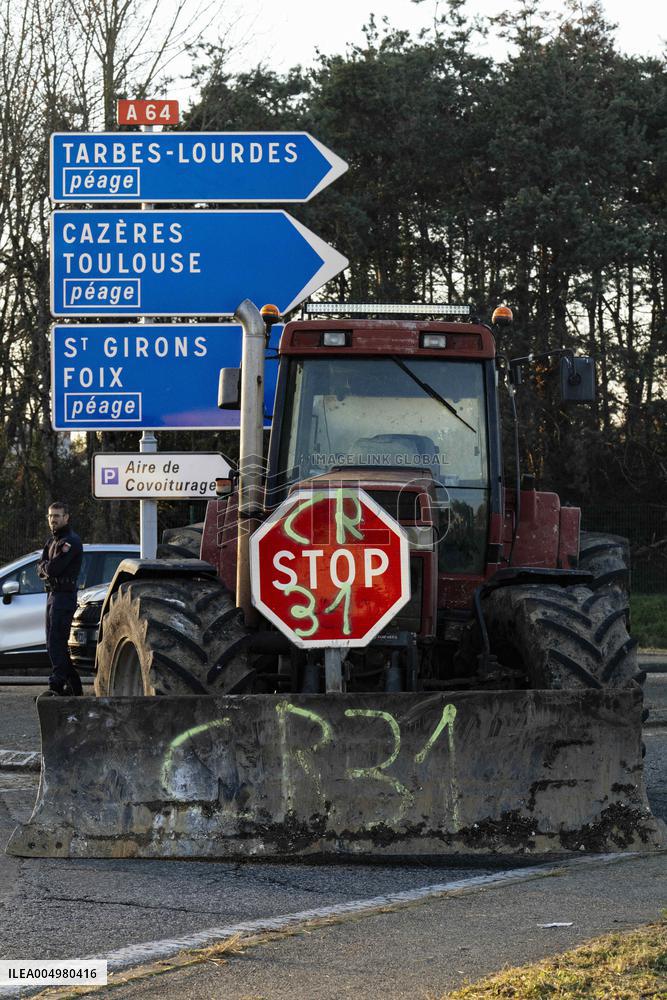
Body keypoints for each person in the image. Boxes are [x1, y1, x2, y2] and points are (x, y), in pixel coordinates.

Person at [37, 502, 84, 696]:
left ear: (66, 518)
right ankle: (74, 687)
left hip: (64, 597)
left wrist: (44, 568)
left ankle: (55, 687)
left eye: (57, 516)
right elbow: (40, 566)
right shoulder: (52, 541)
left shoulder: (70, 541)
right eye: (50, 516)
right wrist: (45, 568)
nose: (53, 519)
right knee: (52, 643)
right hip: (52, 595)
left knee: (56, 642)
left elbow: (52, 569)